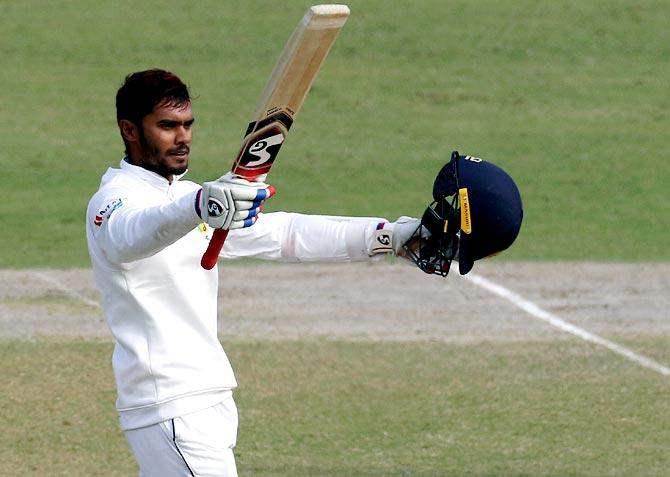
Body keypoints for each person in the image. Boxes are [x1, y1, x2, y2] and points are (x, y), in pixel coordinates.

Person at [85, 69, 421, 476]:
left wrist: (390, 238)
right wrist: (198, 206)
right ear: (130, 130)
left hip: (207, 398)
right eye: (167, 126)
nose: (183, 137)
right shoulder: (114, 201)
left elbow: (286, 235)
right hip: (168, 402)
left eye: (188, 124)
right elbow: (130, 236)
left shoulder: (192, 198)